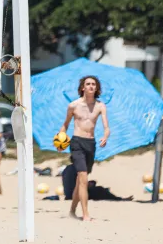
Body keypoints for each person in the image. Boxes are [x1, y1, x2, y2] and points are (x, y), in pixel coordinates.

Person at [59, 76, 109, 221]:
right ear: (83, 87)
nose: (91, 86)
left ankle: (72, 211)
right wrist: (60, 140)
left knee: (81, 181)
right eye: (88, 84)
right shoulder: (73, 105)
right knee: (83, 178)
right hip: (77, 143)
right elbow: (65, 125)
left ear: (97, 88)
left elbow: (106, 127)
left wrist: (105, 136)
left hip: (91, 143)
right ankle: (85, 214)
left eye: (94, 84)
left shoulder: (100, 106)